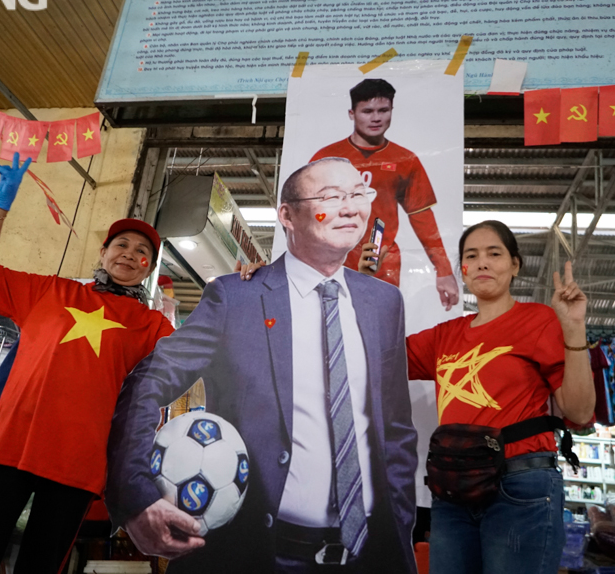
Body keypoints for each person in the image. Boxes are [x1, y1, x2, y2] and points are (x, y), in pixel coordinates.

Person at [105, 157, 419, 573]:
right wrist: (136, 495)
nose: (349, 207)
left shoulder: (383, 303)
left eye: (358, 194)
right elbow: (149, 382)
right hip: (256, 551)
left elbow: (394, 428)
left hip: (368, 555)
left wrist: (399, 521)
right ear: (287, 215)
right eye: (330, 196)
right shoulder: (236, 298)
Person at [0, 153, 173, 574]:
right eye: (120, 244)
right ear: (103, 252)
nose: (128, 254)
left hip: (77, 460)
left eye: (142, 253)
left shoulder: (151, 323)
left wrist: (247, 283)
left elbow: (206, 352)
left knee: (41, 567)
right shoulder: (51, 291)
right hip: (8, 443)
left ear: (147, 269)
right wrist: (0, 204)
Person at [360, 220, 595, 574]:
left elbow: (579, 412)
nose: (482, 263)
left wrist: (574, 328)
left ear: (515, 265)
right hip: (452, 489)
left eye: (494, 253)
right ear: (463, 270)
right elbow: (376, 356)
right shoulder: (445, 336)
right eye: (471, 256)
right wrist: (368, 288)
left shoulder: (538, 320)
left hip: (519, 487)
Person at [310, 78, 459, 311]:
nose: (376, 117)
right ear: (352, 113)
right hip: (331, 257)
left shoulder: (405, 160)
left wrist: (444, 270)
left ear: (392, 111)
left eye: (383, 110)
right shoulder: (327, 157)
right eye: (367, 111)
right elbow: (305, 213)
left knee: (377, 332)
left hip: (381, 259)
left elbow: (422, 217)